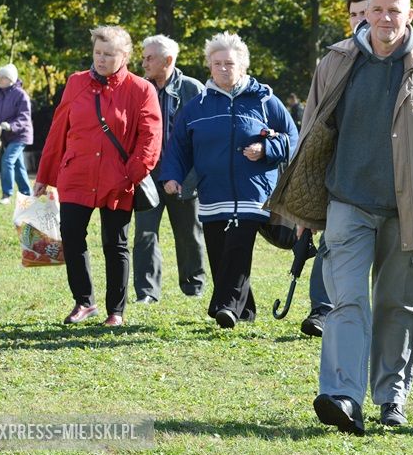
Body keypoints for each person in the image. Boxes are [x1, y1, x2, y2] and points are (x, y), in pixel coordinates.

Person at [269, 0, 413, 434]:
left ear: (409, 15)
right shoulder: (336, 61)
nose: (385, 19)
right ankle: (343, 395)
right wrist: (304, 211)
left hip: (409, 212)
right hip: (347, 203)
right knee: (346, 301)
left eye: (394, 10)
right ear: (365, 13)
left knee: (399, 306)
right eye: (377, 10)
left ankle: (392, 397)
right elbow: (312, 136)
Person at [160, 31, 297, 329]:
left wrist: (266, 148)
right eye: (217, 63)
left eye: (230, 63)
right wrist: (171, 175)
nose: (223, 69)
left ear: (243, 65)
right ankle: (244, 310)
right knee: (220, 254)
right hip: (212, 193)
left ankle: (225, 306)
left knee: (238, 246)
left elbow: (293, 139)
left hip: (254, 193)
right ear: (209, 66)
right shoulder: (197, 106)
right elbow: (179, 145)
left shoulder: (265, 100)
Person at [34, 25, 162, 327]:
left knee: (115, 244)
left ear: (125, 56)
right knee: (72, 236)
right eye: (97, 53)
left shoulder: (142, 89)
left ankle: (115, 311)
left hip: (118, 181)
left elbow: (150, 137)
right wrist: (45, 174)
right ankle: (84, 302)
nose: (101, 59)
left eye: (109, 54)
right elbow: (58, 130)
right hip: (76, 174)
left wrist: (131, 174)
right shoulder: (76, 82)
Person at [299, 0, 370, 338]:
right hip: (338, 170)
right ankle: (322, 309)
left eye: (365, 13)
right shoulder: (335, 59)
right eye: (354, 15)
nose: (359, 21)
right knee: (331, 240)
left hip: (383, 175)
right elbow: (313, 122)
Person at [132, 35, 207, 304]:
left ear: (168, 60)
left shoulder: (193, 89)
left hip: (184, 175)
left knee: (189, 233)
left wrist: (192, 177)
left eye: (149, 58)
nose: (143, 63)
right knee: (144, 233)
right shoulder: (139, 89)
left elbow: (204, 138)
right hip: (147, 176)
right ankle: (147, 292)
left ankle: (194, 286)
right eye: (143, 57)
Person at [0, 64, 33, 204]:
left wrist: (11, 126)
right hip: (7, 137)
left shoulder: (21, 95)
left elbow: (24, 117)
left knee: (7, 160)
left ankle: (6, 195)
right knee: (18, 165)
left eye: (3, 77)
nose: (0, 79)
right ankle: (27, 194)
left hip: (20, 135)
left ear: (11, 79)